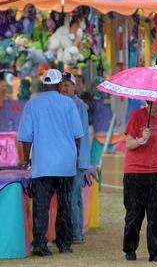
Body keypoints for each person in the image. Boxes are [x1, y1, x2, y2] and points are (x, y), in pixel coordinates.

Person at [17, 69, 84, 256]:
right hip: (65, 164)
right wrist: (75, 156)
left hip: (43, 164)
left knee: (41, 205)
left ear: (44, 84)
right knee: (64, 205)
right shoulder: (69, 104)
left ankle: (39, 244)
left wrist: (25, 159)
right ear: (58, 84)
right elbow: (78, 135)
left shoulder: (33, 104)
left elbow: (25, 137)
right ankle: (64, 243)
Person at [123, 101, 157, 262]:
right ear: (150, 101)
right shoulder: (137, 116)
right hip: (135, 172)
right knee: (134, 215)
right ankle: (130, 249)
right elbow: (129, 143)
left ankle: (156, 253)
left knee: (156, 215)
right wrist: (141, 139)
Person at [60, 72, 91, 245]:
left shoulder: (76, 105)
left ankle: (75, 233)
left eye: (68, 85)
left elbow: (76, 135)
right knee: (76, 197)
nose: (64, 88)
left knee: (72, 197)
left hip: (76, 159)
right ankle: (77, 232)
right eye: (62, 85)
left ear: (74, 86)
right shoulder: (72, 104)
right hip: (77, 158)